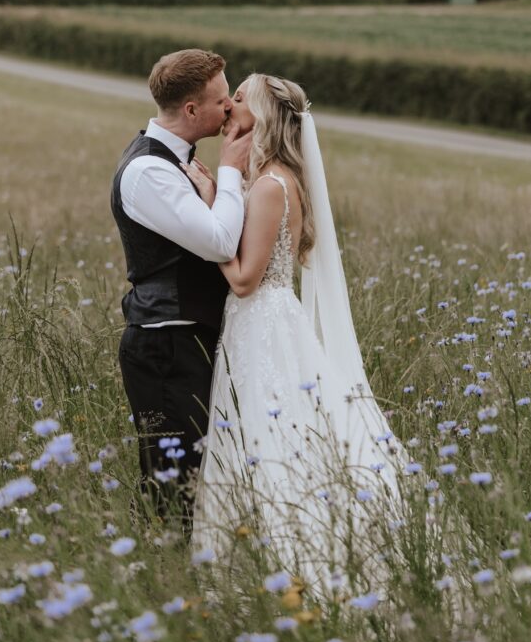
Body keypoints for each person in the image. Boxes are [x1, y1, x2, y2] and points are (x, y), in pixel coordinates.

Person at [184, 74, 405, 585]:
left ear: (259, 116)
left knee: (270, 441)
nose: (228, 104)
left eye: (239, 98)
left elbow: (242, 279)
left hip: (260, 324)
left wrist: (211, 203)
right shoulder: (282, 178)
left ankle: (292, 561)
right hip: (275, 319)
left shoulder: (266, 187)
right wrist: (223, 191)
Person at [111, 49, 252, 525]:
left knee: (193, 475)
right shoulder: (148, 171)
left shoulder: (177, 164)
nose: (229, 109)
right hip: (165, 345)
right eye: (220, 101)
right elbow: (218, 241)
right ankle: (162, 574)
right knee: (173, 484)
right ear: (191, 110)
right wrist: (231, 167)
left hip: (185, 339)